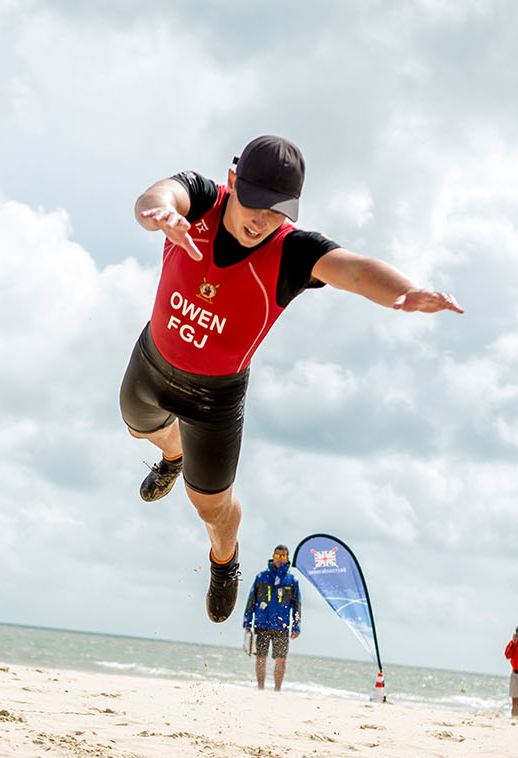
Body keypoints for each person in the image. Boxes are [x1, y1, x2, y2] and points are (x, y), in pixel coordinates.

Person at [119, 136, 463, 622]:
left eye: (276, 211)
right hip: (153, 362)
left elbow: (357, 272)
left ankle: (225, 559)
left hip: (215, 398)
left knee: (209, 508)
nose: (261, 220)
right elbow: (157, 196)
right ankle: (172, 454)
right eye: (254, 203)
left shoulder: (291, 252)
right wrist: (159, 213)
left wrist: (404, 293)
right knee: (137, 425)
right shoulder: (199, 199)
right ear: (233, 181)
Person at [242, 545, 301, 691]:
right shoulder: (261, 576)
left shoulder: (292, 580)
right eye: (278, 555)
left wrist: (296, 626)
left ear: (287, 559)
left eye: (283, 556)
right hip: (262, 623)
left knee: (281, 659)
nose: (280, 559)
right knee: (261, 658)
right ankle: (260, 688)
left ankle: (277, 690)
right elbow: (251, 599)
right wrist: (247, 621)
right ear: (273, 556)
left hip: (282, 625)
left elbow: (297, 605)